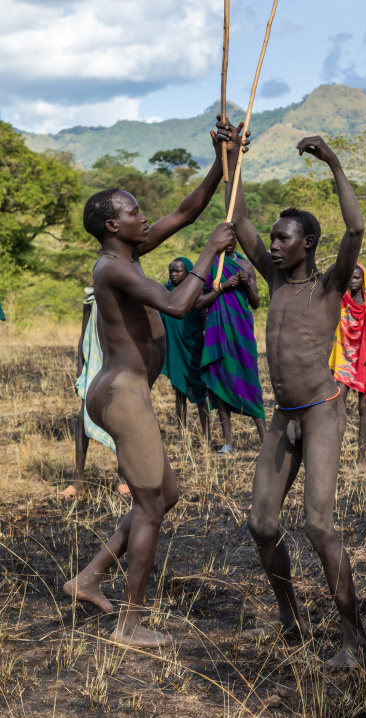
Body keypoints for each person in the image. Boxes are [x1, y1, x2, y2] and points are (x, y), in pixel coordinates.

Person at [63, 133, 239, 648]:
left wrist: (220, 163)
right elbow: (178, 305)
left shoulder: (130, 251)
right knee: (150, 508)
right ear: (113, 226)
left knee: (166, 495)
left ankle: (89, 577)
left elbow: (186, 212)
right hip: (123, 391)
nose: (145, 217)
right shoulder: (114, 267)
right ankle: (128, 626)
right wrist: (210, 251)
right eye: (135, 212)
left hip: (127, 388)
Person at [216, 120, 366, 667]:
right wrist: (230, 156)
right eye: (274, 239)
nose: (274, 245)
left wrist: (333, 162)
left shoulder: (330, 283)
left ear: (307, 244)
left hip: (323, 412)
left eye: (285, 239)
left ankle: (355, 638)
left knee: (318, 524)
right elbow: (237, 218)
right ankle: (290, 618)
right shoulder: (277, 280)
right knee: (262, 525)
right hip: (284, 415)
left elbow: (355, 230)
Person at [196, 234, 265, 454]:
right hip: (217, 332)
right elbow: (198, 302)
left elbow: (255, 303)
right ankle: (228, 443)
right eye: (226, 238)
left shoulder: (245, 265)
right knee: (220, 382)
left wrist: (246, 285)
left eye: (234, 238)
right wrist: (222, 287)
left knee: (250, 381)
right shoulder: (209, 266)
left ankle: (266, 440)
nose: (230, 242)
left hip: (242, 332)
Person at [61, 287, 129, 500]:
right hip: (94, 366)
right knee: (82, 419)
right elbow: (83, 338)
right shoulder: (90, 300)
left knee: (121, 421)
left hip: (118, 365)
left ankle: (122, 479)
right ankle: (77, 481)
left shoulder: (125, 297)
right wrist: (79, 370)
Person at [329, 263, 366, 471]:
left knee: (363, 408)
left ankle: (361, 458)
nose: (353, 281)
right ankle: (333, 455)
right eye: (350, 277)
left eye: (357, 277)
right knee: (337, 406)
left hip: (363, 359)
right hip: (343, 357)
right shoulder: (340, 300)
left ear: (364, 279)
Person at [159, 257, 209, 442]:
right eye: (172, 270)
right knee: (179, 393)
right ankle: (182, 435)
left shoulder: (195, 292)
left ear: (188, 273)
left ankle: (207, 435)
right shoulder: (165, 292)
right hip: (174, 350)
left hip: (193, 348)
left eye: (178, 271)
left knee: (200, 393)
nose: (173, 274)